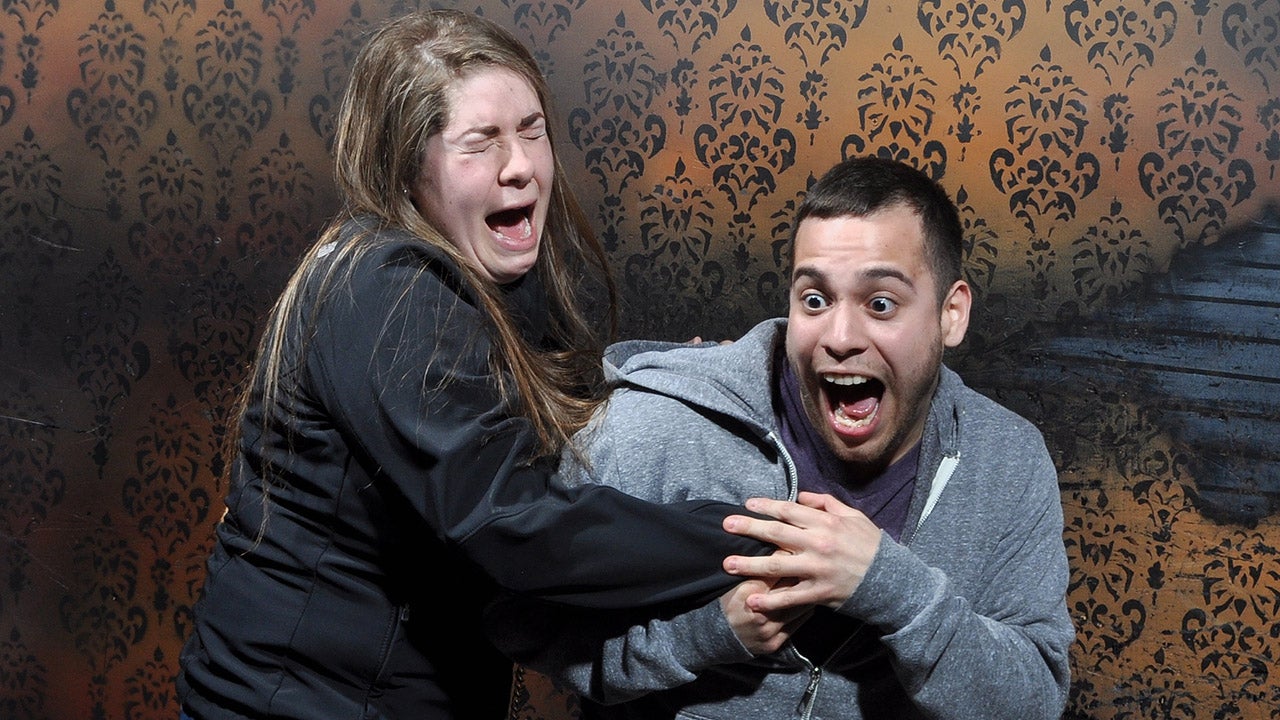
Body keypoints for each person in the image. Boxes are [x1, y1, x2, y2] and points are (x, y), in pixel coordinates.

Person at [175, 10, 781, 720]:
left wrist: (666, 371)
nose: (520, 164)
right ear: (409, 166)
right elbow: (517, 527)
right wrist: (762, 538)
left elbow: (521, 401)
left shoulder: (472, 283)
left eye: (531, 130)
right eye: (480, 143)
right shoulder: (392, 291)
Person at [493, 156, 1074, 719]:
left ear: (951, 314)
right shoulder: (657, 430)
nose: (840, 336)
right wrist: (705, 636)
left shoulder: (1009, 463)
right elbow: (523, 620)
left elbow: (1033, 700)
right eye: (815, 299)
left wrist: (890, 587)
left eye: (880, 303)